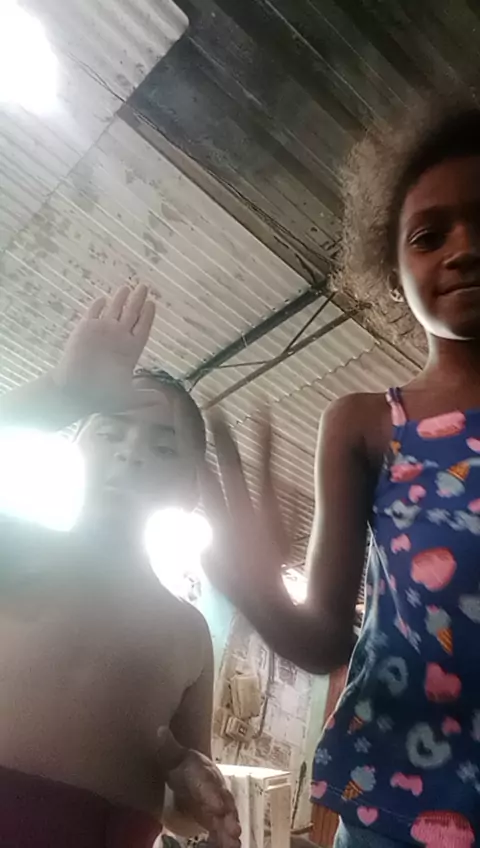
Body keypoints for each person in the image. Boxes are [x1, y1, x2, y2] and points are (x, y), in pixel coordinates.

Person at [199, 101, 480, 847]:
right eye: (430, 235)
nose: (463, 249)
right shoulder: (365, 425)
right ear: (394, 267)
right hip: (395, 805)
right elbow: (325, 639)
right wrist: (254, 589)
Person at [0, 284, 240, 848]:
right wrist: (62, 392)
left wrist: (193, 788)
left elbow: (180, 811)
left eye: (163, 448)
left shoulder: (187, 634)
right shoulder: (15, 548)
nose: (130, 453)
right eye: (109, 431)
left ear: (189, 490)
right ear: (75, 447)